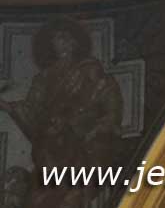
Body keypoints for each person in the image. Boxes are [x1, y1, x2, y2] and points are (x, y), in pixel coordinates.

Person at [0, 16, 123, 208]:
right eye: (57, 38)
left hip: (79, 143)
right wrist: (7, 106)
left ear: (74, 42)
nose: (61, 42)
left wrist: (92, 127)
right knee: (40, 198)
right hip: (49, 147)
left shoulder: (89, 70)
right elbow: (31, 110)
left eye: (65, 37)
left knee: (73, 194)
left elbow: (107, 99)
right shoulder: (44, 78)